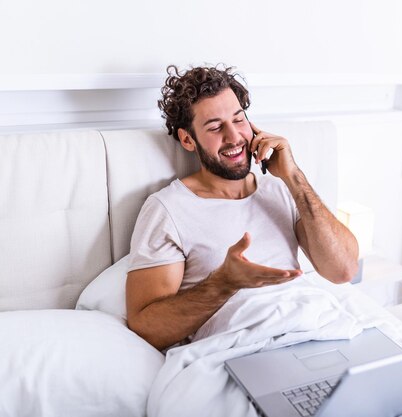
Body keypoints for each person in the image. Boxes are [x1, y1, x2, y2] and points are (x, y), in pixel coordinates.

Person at [125, 65, 359, 351]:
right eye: (214, 127)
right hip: (241, 351)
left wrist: (293, 176)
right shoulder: (169, 209)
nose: (234, 136)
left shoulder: (282, 190)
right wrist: (223, 283)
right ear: (188, 139)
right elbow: (147, 327)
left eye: (239, 120)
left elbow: (343, 270)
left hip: (313, 334)